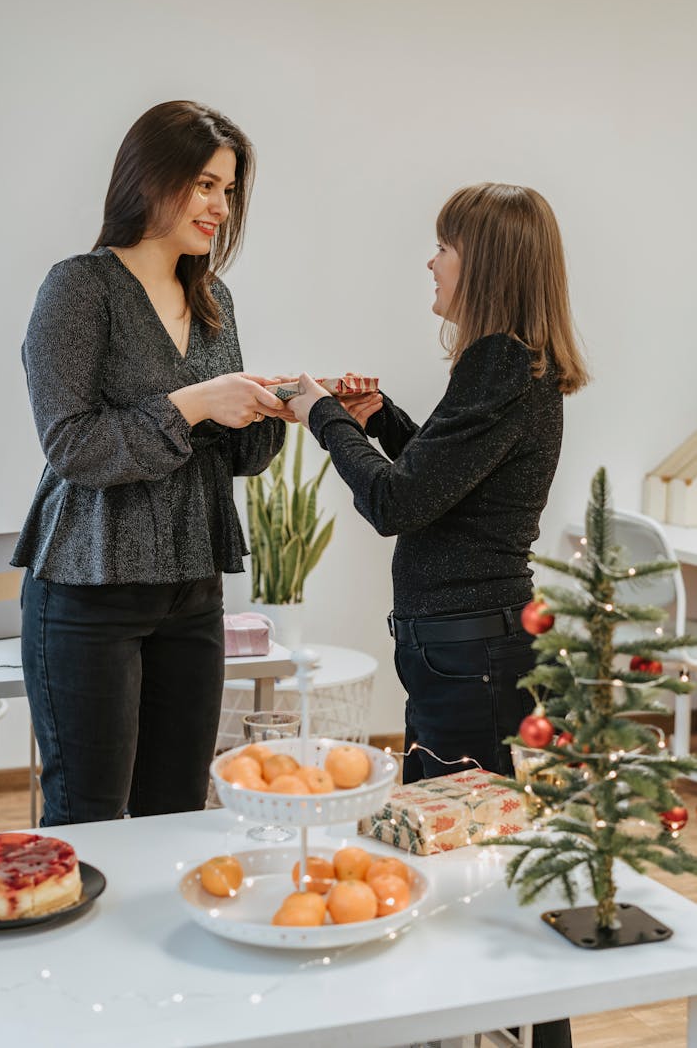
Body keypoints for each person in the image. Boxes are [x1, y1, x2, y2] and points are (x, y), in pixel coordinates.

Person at [291, 182, 586, 1048]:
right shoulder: (506, 363)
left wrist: (320, 416)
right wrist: (381, 420)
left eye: (444, 246)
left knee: (469, 873)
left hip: (472, 658)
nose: (432, 259)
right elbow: (446, 487)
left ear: (483, 264)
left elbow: (397, 503)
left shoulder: (501, 363)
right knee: (481, 864)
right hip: (471, 651)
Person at [12, 101, 287, 826]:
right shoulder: (79, 288)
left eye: (227, 191)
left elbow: (233, 457)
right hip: (88, 589)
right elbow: (73, 443)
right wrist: (197, 401)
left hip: (192, 591)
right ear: (149, 179)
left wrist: (272, 409)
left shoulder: (213, 298)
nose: (219, 208)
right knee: (89, 813)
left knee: (178, 812)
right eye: (204, 185)